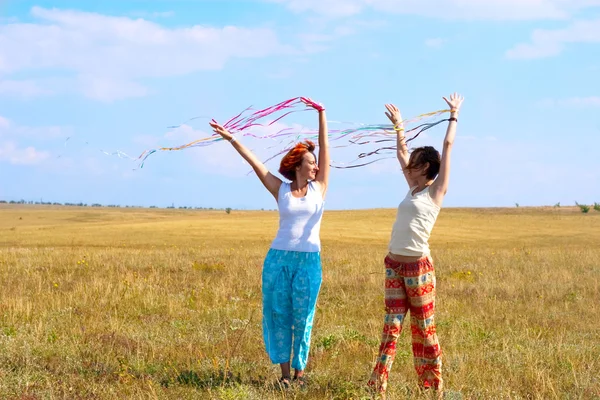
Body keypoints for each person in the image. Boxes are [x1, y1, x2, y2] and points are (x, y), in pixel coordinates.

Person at [209, 97, 329, 388]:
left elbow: (326, 151)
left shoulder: (320, 187)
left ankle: (301, 375)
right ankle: (285, 377)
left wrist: (321, 114)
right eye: (310, 163)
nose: (315, 167)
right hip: (278, 260)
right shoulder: (281, 189)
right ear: (298, 166)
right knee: (278, 316)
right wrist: (231, 138)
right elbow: (255, 162)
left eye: (315, 163)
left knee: (304, 317)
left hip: (308, 261)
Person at [367, 93, 465, 397]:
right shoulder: (412, 189)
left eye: (413, 163)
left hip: (419, 269)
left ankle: (432, 386)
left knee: (424, 329)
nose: (407, 165)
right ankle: (377, 385)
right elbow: (401, 152)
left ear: (425, 166)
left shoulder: (436, 191)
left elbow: (448, 147)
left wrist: (454, 115)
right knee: (391, 327)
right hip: (394, 265)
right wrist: (398, 126)